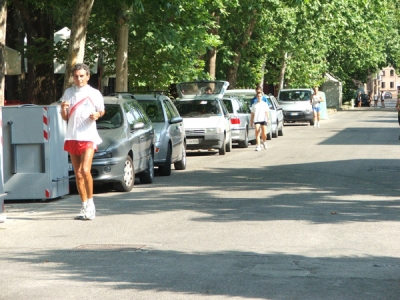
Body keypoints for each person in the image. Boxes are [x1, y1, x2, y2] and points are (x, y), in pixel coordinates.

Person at [60, 63, 105, 220]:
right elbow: (65, 117)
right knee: (77, 174)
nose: (78, 79)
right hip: (72, 135)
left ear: (88, 76)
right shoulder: (68, 93)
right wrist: (63, 109)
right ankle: (84, 205)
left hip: (88, 136)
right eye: (76, 76)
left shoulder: (94, 93)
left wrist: (97, 115)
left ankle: (91, 204)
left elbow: (101, 110)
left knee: (85, 171)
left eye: (81, 76)